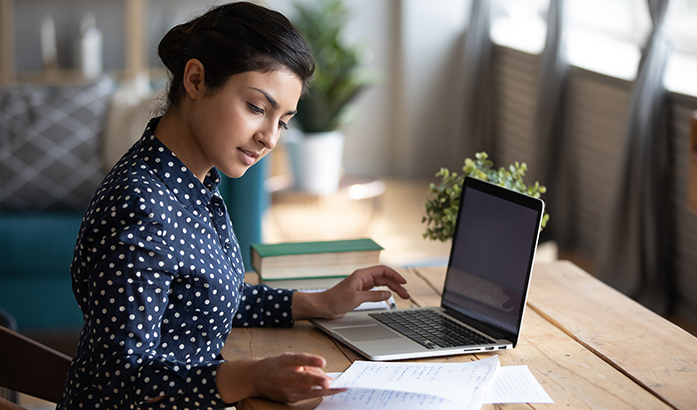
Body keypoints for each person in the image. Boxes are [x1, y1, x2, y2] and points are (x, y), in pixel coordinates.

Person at [56, 2, 410, 409]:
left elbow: (206, 297)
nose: (270, 138)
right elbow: (120, 378)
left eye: (283, 121)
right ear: (195, 79)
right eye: (258, 108)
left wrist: (320, 302)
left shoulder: (195, 183)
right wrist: (248, 375)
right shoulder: (141, 205)